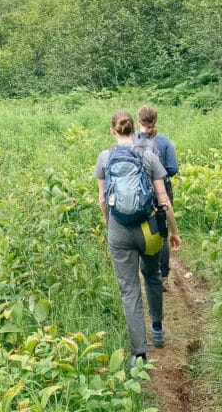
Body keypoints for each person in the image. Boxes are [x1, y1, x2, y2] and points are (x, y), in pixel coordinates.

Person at [95, 110, 182, 365]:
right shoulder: (149, 155)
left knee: (129, 289)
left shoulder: (104, 157)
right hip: (149, 230)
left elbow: (102, 200)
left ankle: (139, 354)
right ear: (134, 129)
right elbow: (163, 199)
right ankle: (157, 328)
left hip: (119, 230)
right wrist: (174, 232)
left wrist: (110, 225)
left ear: (113, 130)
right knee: (153, 275)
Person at [134, 104, 178, 281]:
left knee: (140, 229)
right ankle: (163, 276)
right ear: (156, 120)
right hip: (162, 190)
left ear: (139, 121)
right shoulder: (164, 142)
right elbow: (173, 168)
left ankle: (145, 270)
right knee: (162, 231)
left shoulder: (132, 141)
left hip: (139, 190)